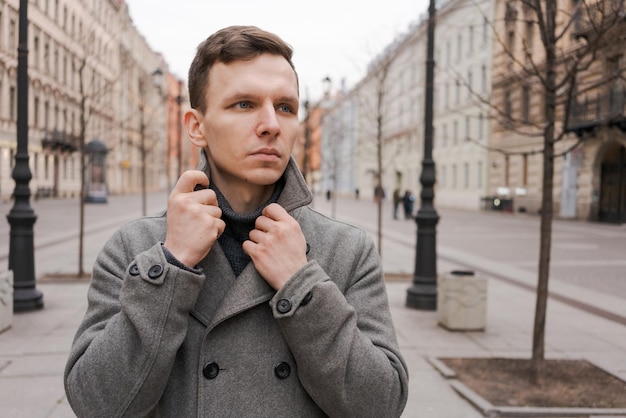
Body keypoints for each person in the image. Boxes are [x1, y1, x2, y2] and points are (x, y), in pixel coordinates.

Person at [64, 26, 408, 417]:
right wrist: (173, 264)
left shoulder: (346, 250)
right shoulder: (136, 247)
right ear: (197, 127)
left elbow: (381, 405)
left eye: (285, 107)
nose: (271, 125)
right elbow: (96, 404)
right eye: (244, 104)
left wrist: (302, 283)